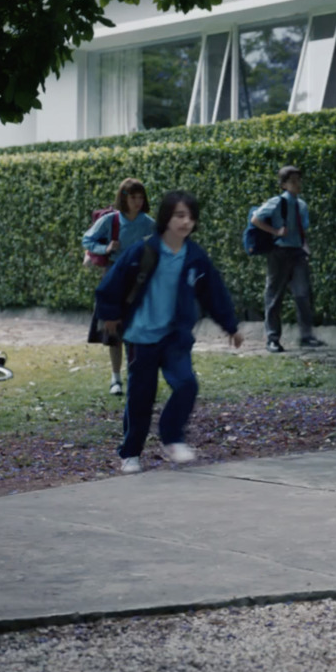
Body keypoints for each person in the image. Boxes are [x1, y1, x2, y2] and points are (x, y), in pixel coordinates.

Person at [95, 191, 244, 474]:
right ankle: (130, 453)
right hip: (141, 337)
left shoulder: (195, 256)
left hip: (175, 336)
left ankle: (172, 437)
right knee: (140, 397)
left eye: (190, 216)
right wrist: (110, 316)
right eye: (179, 215)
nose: (185, 221)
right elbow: (111, 284)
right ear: (166, 217)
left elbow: (215, 293)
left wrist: (231, 327)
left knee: (187, 384)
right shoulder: (143, 250)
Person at [82, 178, 155, 395]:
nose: (138, 202)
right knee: (113, 331)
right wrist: (105, 248)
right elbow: (87, 240)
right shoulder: (111, 220)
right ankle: (116, 379)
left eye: (141, 197)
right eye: (133, 197)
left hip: (138, 279)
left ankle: (135, 376)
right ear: (123, 198)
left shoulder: (148, 222)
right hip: (113, 276)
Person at [250, 165, 324, 353]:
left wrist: (305, 247)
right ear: (283, 185)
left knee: (302, 294)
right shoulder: (277, 203)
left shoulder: (302, 205)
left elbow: (302, 230)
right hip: (279, 253)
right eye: (292, 181)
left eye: (299, 180)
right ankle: (272, 339)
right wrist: (275, 231)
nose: (297, 184)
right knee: (274, 295)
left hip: (297, 252)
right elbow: (255, 219)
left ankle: (306, 336)